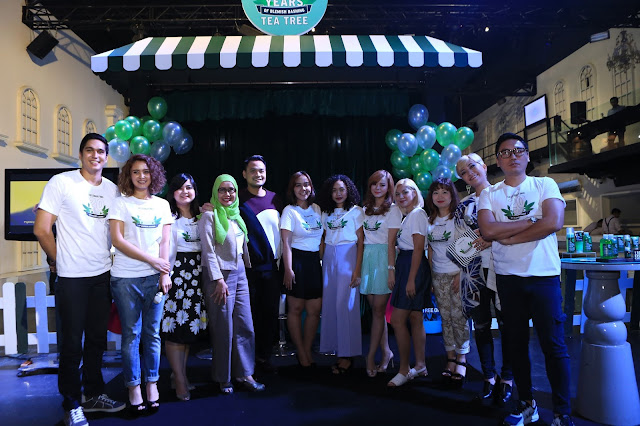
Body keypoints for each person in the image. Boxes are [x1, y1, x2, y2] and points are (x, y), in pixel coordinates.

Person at [478, 133, 574, 426]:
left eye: (518, 150)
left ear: (528, 156)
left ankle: (561, 412)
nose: (513, 156)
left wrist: (508, 236)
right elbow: (488, 231)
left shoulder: (545, 184)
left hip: (543, 276)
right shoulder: (489, 194)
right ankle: (526, 405)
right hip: (508, 279)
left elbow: (553, 222)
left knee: (554, 346)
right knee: (516, 345)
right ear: (497, 161)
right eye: (505, 152)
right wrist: (531, 221)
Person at [34, 133, 125, 426]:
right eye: (89, 150)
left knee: (97, 341)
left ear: (106, 157)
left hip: (102, 275)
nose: (95, 156)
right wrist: (58, 261)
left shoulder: (112, 190)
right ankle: (71, 403)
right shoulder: (61, 183)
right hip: (72, 277)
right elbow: (41, 229)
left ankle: (94, 394)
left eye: (100, 151)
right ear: (81, 154)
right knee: (71, 345)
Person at [108, 154, 173, 415]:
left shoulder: (162, 205)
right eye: (135, 172)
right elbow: (118, 240)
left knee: (152, 335)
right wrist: (152, 260)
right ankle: (133, 387)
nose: (141, 176)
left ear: (153, 174)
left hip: (155, 278)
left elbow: (165, 242)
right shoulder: (120, 204)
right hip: (125, 278)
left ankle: (152, 383)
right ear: (128, 175)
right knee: (131, 335)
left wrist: (164, 272)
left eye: (146, 171)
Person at [454, 154, 513, 404]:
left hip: (503, 268)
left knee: (507, 325)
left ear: (484, 167)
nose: (469, 173)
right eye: (463, 172)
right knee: (480, 325)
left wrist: (490, 238)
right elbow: (459, 242)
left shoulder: (504, 194)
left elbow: (514, 226)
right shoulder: (463, 206)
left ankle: (507, 378)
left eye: (472, 167)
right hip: (473, 273)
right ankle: (488, 376)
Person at [199, 174, 265, 394]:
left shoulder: (236, 215)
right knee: (223, 329)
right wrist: (218, 279)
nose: (227, 194)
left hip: (240, 273)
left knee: (245, 325)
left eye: (231, 190)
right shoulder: (209, 216)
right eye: (222, 190)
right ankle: (223, 377)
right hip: (219, 276)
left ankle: (245, 373)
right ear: (215, 192)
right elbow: (208, 251)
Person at [161, 173, 207, 401]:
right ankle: (179, 380)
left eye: (189, 187)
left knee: (188, 330)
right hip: (177, 277)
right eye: (180, 188)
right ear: (173, 192)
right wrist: (165, 275)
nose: (185, 192)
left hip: (197, 276)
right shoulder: (168, 217)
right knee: (175, 331)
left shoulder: (202, 217)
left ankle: (179, 374)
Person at [239, 155, 283, 372]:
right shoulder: (237, 199)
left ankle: (265, 358)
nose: (258, 174)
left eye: (261, 170)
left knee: (270, 314)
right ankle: (247, 362)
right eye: (253, 170)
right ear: (244, 174)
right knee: (250, 315)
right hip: (248, 269)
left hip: (273, 268)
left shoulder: (276, 199)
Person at [317, 174, 364, 374]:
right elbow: (323, 238)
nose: (338, 193)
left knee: (346, 305)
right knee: (331, 305)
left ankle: (348, 355)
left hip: (348, 256)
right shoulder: (325, 213)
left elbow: (361, 242)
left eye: (342, 189)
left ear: (349, 190)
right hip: (329, 257)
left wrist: (357, 270)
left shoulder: (356, 211)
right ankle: (336, 350)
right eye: (334, 190)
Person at [387, 178, 430, 387]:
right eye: (397, 194)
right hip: (407, 263)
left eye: (405, 192)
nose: (401, 196)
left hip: (413, 266)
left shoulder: (417, 214)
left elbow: (418, 249)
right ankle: (420, 365)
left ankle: (404, 369)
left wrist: (411, 279)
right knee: (415, 317)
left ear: (415, 192)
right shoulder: (408, 216)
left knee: (397, 320)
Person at [426, 178, 468, 388]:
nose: (440, 196)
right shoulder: (430, 221)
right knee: (445, 318)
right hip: (438, 275)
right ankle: (450, 357)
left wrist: (461, 274)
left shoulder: (459, 218)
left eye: (444, 192)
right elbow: (430, 250)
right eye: (436, 192)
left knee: (459, 317)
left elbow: (468, 246)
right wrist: (431, 277)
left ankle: (462, 358)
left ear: (452, 195)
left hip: (457, 274)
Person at [280, 171, 323, 368]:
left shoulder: (317, 209)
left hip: (314, 263)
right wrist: (288, 269)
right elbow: (286, 243)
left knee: (314, 310)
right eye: (298, 185)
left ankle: (306, 349)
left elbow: (322, 239)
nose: (303, 188)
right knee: (296, 309)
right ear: (292, 189)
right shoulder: (289, 211)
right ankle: (301, 351)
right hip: (296, 261)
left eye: (306, 184)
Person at [360, 170, 401, 377]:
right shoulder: (364, 209)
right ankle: (386, 352)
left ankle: (370, 357)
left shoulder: (393, 210)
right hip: (367, 260)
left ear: (388, 187)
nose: (378, 188)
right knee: (376, 311)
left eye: (382, 184)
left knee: (378, 310)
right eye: (374, 184)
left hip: (385, 259)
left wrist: (391, 270)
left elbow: (392, 243)